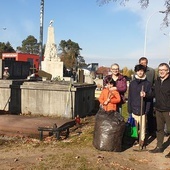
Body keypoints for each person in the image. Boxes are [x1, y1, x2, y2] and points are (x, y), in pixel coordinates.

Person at [147, 63, 170, 158]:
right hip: (158, 109)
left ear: (168, 70)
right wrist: (145, 95)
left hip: (168, 110)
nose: (161, 71)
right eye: (160, 70)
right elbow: (153, 94)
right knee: (159, 129)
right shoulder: (157, 81)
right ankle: (159, 147)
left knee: (169, 130)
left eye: (163, 70)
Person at [128, 64, 152, 148]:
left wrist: (147, 110)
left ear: (144, 72)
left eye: (142, 70)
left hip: (143, 109)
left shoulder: (147, 84)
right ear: (136, 72)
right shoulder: (132, 83)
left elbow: (150, 98)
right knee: (134, 126)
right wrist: (129, 108)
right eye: (138, 70)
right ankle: (135, 139)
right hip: (134, 108)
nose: (140, 72)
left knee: (142, 127)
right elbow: (130, 96)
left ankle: (142, 141)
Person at [139, 57, 156, 136]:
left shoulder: (152, 71)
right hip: (140, 95)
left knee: (149, 113)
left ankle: (151, 130)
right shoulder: (137, 71)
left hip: (149, 95)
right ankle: (140, 130)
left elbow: (155, 82)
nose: (143, 64)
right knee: (140, 113)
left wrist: (151, 90)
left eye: (145, 63)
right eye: (142, 63)